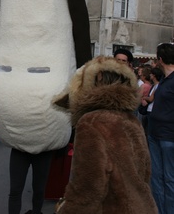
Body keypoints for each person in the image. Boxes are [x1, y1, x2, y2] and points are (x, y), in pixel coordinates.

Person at [55, 56, 157, 214]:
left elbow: (87, 187)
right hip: (142, 206)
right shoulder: (131, 120)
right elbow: (145, 172)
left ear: (96, 80)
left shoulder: (91, 122)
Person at [148, 43, 174, 214]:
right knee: (156, 178)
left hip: (169, 136)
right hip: (155, 133)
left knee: (170, 179)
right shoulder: (164, 80)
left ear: (160, 59)